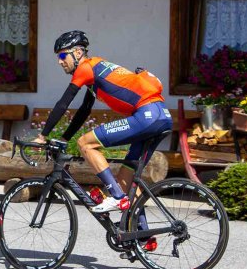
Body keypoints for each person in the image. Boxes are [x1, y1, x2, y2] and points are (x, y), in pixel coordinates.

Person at [33, 30, 172, 250]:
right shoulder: (95, 73)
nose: (60, 62)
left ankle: (116, 197)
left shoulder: (85, 68)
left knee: (86, 143)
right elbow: (83, 112)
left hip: (146, 115)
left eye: (62, 56)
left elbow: (63, 102)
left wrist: (43, 135)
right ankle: (144, 237)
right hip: (161, 116)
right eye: (58, 58)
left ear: (78, 53)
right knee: (126, 180)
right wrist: (63, 138)